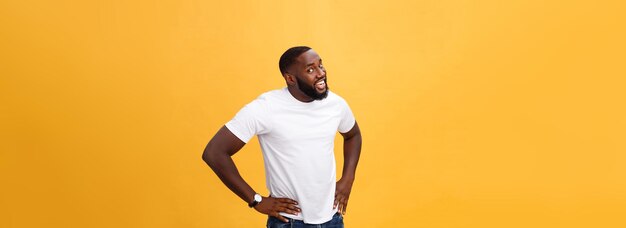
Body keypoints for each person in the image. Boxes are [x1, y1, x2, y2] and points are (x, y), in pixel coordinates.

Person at [202, 46, 362, 228]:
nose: (321, 73)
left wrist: (348, 178)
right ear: (290, 78)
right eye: (310, 69)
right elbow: (214, 152)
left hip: (332, 219)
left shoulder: (335, 104)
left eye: (321, 65)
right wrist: (256, 200)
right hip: (289, 222)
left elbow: (353, 135)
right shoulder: (266, 108)